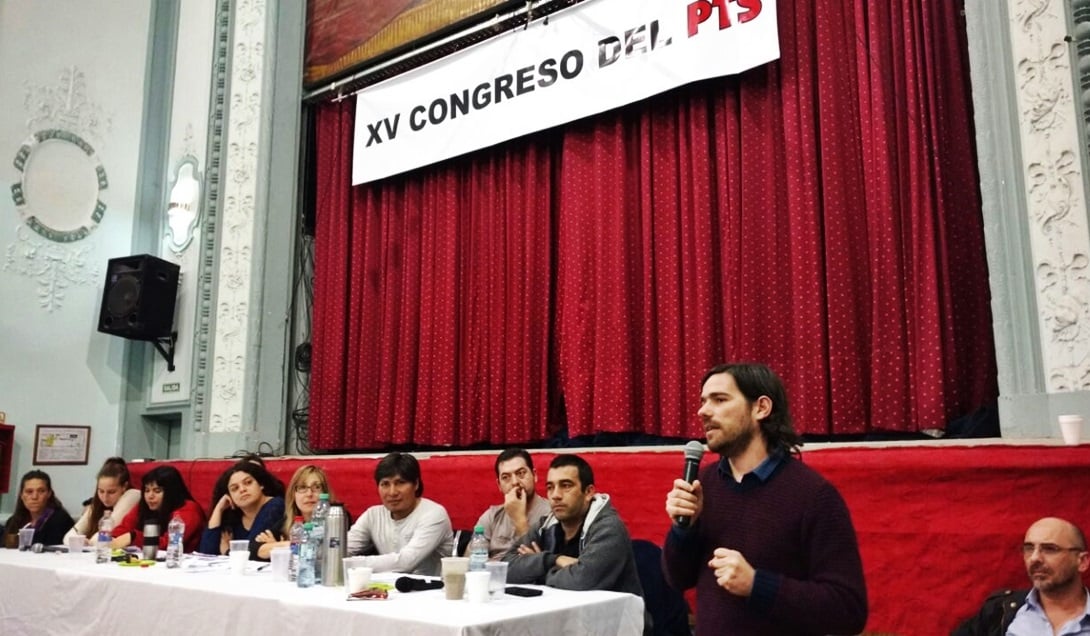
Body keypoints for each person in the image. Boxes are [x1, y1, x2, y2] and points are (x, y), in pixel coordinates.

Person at [663, 363, 867, 635]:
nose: (703, 411)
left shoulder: (813, 496)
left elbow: (849, 610)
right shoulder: (704, 483)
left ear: (761, 408)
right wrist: (683, 530)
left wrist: (757, 585)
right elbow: (678, 579)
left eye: (720, 400)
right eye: (702, 402)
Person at [503, 454, 644, 599]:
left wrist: (537, 571)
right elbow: (505, 569)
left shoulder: (608, 528)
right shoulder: (545, 525)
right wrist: (553, 560)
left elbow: (581, 581)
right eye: (550, 487)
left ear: (588, 492)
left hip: (612, 619)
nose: (555, 495)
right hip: (562, 616)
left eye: (566, 486)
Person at [953, 517, 1089, 635]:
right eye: (1029, 548)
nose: (1035, 558)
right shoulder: (1000, 609)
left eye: (1049, 549)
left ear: (1082, 561)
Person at [346, 452, 452, 575]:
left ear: (416, 484)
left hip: (433, 591)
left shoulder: (434, 514)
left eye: (400, 483)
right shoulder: (372, 515)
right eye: (385, 484)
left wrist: (349, 563)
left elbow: (405, 563)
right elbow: (342, 549)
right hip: (390, 589)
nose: (392, 492)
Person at [471, 448, 551, 559]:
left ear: (534, 475)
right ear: (499, 485)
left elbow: (540, 564)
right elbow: (471, 562)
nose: (515, 482)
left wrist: (519, 519)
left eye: (521, 473)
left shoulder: (551, 514)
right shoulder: (491, 516)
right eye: (506, 477)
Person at [199, 462, 285, 559]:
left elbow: (252, 549)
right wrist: (218, 509)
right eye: (235, 488)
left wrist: (227, 552)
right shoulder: (233, 516)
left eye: (248, 482)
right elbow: (206, 555)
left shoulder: (275, 505)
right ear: (229, 496)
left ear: (261, 484)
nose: (242, 489)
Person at [111, 465, 205, 553]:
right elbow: (124, 528)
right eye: (147, 490)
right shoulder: (144, 505)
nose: (150, 496)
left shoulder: (189, 509)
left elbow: (169, 544)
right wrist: (113, 538)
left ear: (171, 492)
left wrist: (133, 537)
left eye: (157, 491)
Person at [254, 464, 337, 560]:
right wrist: (287, 546)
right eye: (302, 487)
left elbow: (324, 550)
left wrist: (276, 546)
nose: (309, 494)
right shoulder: (289, 521)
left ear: (325, 493)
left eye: (317, 487)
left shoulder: (337, 518)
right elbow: (254, 549)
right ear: (293, 495)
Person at [64, 457, 141, 545]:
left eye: (111, 492)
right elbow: (68, 536)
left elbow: (103, 538)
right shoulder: (97, 503)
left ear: (124, 486)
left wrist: (86, 542)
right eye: (101, 491)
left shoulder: (133, 495)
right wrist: (79, 540)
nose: (105, 497)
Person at [3, 470, 75, 547]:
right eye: (29, 492)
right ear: (21, 495)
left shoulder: (60, 520)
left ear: (49, 494)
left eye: (41, 491)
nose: (34, 497)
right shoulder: (13, 521)